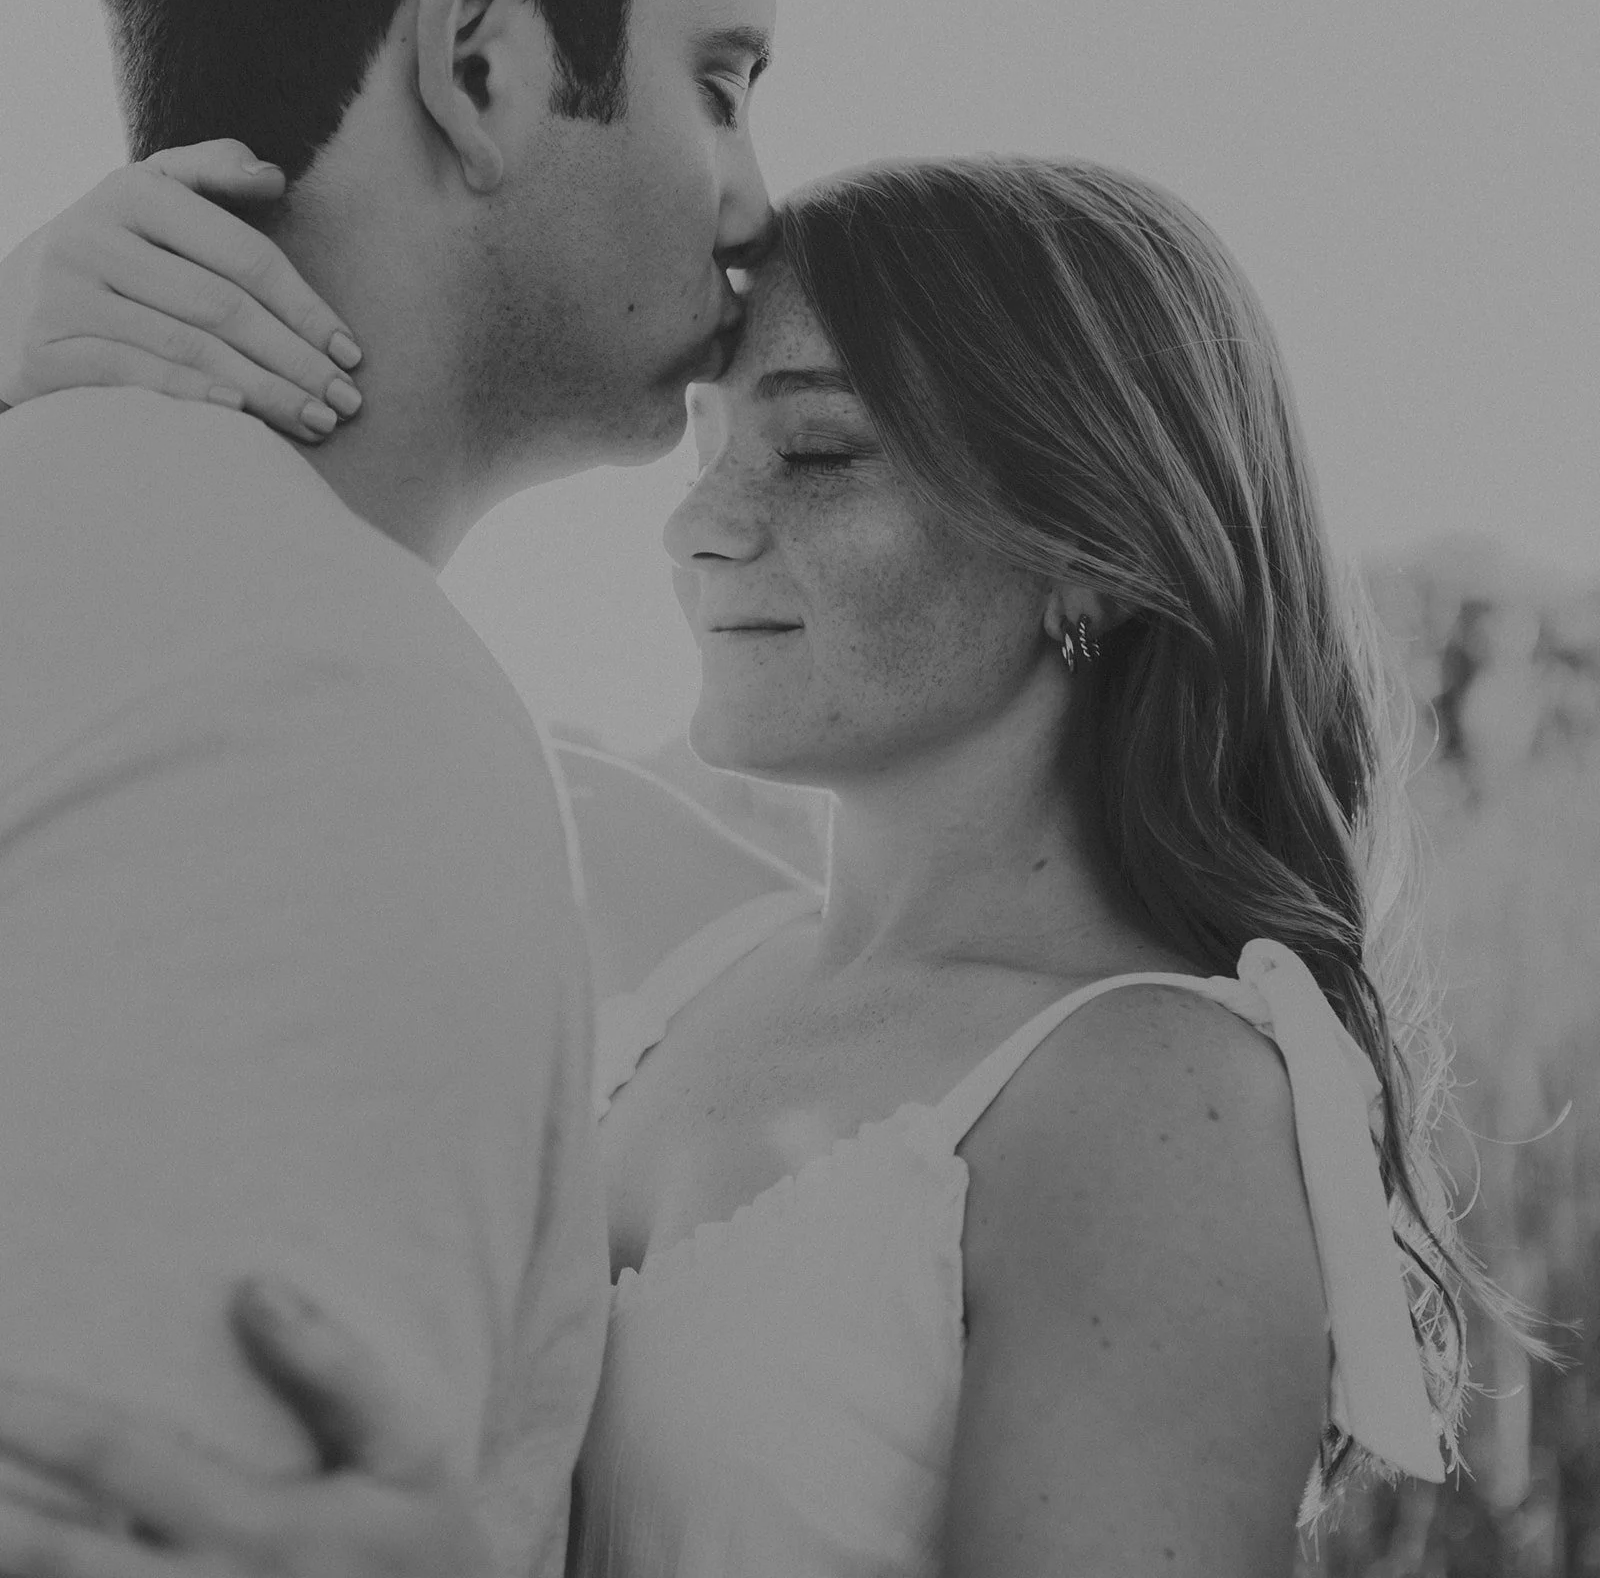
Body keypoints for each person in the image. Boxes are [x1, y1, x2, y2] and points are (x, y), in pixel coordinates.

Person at [0, 146, 1549, 1576]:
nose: (700, 528)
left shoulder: (1160, 1101)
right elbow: (264, 635)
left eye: (814, 455)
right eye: (708, 449)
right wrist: (55, 343)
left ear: (1090, 543)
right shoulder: (675, 932)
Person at [0, 0, 777, 1573]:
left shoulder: (79, 538)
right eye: (720, 83)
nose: (757, 205)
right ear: (479, 61)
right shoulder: (315, 704)